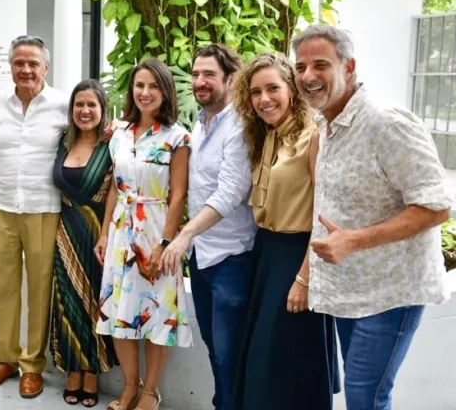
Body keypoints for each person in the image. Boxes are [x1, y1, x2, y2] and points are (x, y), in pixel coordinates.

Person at [292, 24, 450, 410]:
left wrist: (354, 241)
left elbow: (437, 206)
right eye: (300, 67)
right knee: (362, 394)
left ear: (349, 67)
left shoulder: (386, 122)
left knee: (366, 396)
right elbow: (327, 208)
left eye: (320, 65)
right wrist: (307, 277)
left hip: (391, 293)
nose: (308, 76)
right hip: (349, 292)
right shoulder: (325, 124)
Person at [227, 53, 336, 409]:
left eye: (273, 88)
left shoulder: (312, 136)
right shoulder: (266, 136)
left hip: (298, 257)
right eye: (256, 92)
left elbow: (324, 212)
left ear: (291, 89)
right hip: (266, 255)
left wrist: (305, 278)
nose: (264, 99)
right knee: (263, 361)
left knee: (287, 364)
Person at [158, 44, 256, 410]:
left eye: (209, 75)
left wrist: (184, 234)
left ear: (231, 79)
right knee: (216, 349)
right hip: (202, 258)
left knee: (231, 352)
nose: (199, 81)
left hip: (232, 257)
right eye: (196, 74)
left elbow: (231, 191)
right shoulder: (199, 125)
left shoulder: (241, 125)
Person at [96, 57, 192, 410]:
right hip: (121, 231)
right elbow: (113, 188)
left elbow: (178, 194)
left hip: (155, 228)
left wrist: (165, 244)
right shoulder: (119, 135)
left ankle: (150, 391)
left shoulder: (178, 136)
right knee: (119, 311)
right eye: (139, 85)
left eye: (153, 86)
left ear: (165, 92)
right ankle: (129, 387)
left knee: (157, 314)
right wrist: (105, 234)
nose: (145, 92)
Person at [0, 35, 65, 398]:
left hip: (44, 207)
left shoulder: (62, 104)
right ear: (11, 66)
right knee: (5, 287)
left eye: (33, 63)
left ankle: (32, 364)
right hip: (2, 208)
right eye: (19, 63)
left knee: (40, 288)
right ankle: (6, 359)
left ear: (46, 67)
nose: (26, 70)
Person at [51, 79, 118, 407]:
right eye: (79, 105)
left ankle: (91, 372)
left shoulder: (113, 144)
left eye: (92, 105)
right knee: (68, 302)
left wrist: (105, 234)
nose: (85, 110)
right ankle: (72, 371)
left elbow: (118, 192)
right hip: (64, 233)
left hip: (97, 236)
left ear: (103, 110)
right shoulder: (63, 143)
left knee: (93, 303)